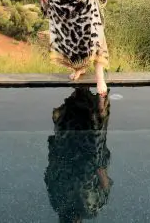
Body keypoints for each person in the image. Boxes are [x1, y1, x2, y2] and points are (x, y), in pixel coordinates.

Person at [44, 88, 113, 223]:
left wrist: (99, 166)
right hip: (77, 154)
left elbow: (50, 178)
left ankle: (91, 100)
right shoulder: (60, 204)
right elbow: (49, 177)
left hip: (79, 155)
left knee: (89, 122)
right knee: (89, 122)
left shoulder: (86, 209)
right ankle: (92, 100)